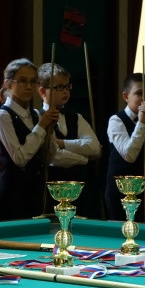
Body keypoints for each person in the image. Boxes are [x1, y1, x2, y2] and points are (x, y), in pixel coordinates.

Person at [0, 58, 59, 221]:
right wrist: (41, 127)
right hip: (11, 195)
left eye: (33, 81)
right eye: (22, 81)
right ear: (8, 84)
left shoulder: (36, 114)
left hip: (34, 193)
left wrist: (49, 133)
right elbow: (20, 158)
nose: (29, 87)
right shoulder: (3, 115)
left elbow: (48, 158)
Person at [37, 62, 101, 217]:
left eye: (67, 86)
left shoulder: (76, 117)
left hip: (80, 190)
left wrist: (62, 143)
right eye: (59, 87)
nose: (65, 91)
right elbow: (55, 157)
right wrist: (85, 159)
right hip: (50, 189)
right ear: (42, 91)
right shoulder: (37, 117)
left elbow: (95, 148)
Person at [104, 73, 145, 223]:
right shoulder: (116, 120)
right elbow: (129, 155)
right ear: (126, 96)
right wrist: (142, 123)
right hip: (121, 192)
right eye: (139, 93)